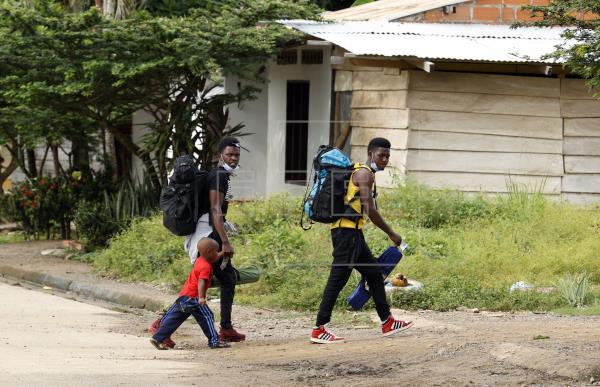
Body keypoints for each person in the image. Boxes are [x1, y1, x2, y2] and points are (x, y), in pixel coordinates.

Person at [311, 137, 414, 344]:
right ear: (370, 154)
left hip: (353, 234)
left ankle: (387, 322)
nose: (384, 159)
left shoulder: (363, 173)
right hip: (346, 235)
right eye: (380, 155)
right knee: (337, 279)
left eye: (387, 156)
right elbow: (371, 211)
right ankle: (319, 328)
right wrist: (392, 234)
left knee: (375, 274)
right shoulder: (364, 174)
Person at [183, 136, 246, 342]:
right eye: (229, 154)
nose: (233, 158)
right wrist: (225, 241)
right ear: (221, 155)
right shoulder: (219, 176)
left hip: (207, 234)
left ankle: (226, 327)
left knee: (219, 278)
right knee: (221, 279)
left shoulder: (221, 175)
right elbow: (215, 209)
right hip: (208, 235)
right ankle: (163, 324)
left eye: (236, 154)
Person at [150, 238, 230, 350]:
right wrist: (201, 297)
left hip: (184, 297)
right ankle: (214, 341)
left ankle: (158, 338)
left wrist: (222, 254)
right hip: (194, 299)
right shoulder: (206, 267)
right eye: (216, 251)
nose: (217, 253)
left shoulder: (200, 260)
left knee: (174, 318)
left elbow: (213, 257)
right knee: (207, 316)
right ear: (208, 252)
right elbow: (201, 281)